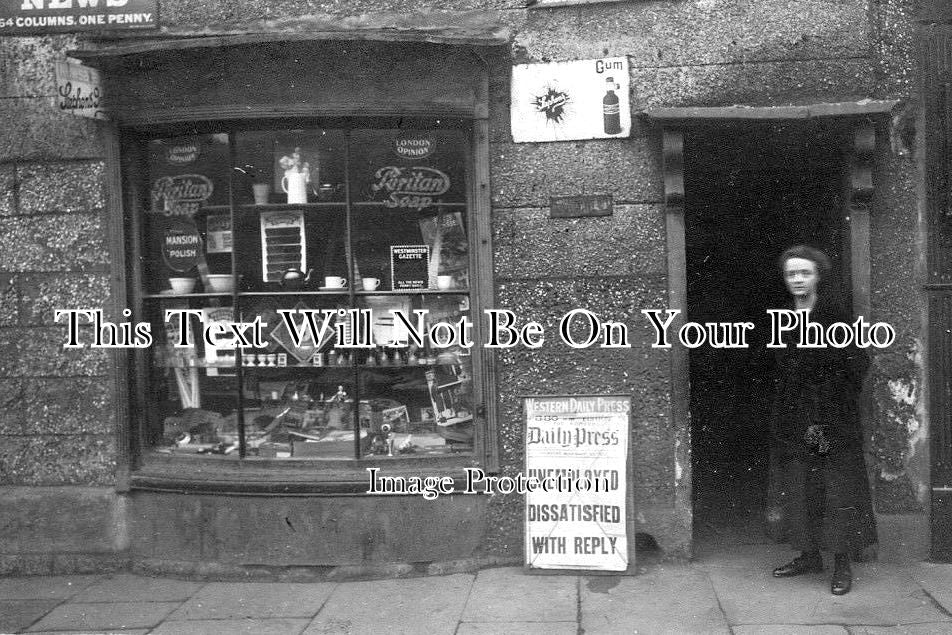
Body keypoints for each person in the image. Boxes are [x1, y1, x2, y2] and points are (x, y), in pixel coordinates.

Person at [769, 245, 876, 595]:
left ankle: (842, 563)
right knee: (801, 485)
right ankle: (809, 555)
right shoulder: (781, 315)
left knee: (833, 486)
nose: (797, 279)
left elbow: (857, 364)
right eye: (791, 273)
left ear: (818, 277)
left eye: (805, 273)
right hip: (795, 418)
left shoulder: (834, 316)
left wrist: (824, 398)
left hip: (827, 420)